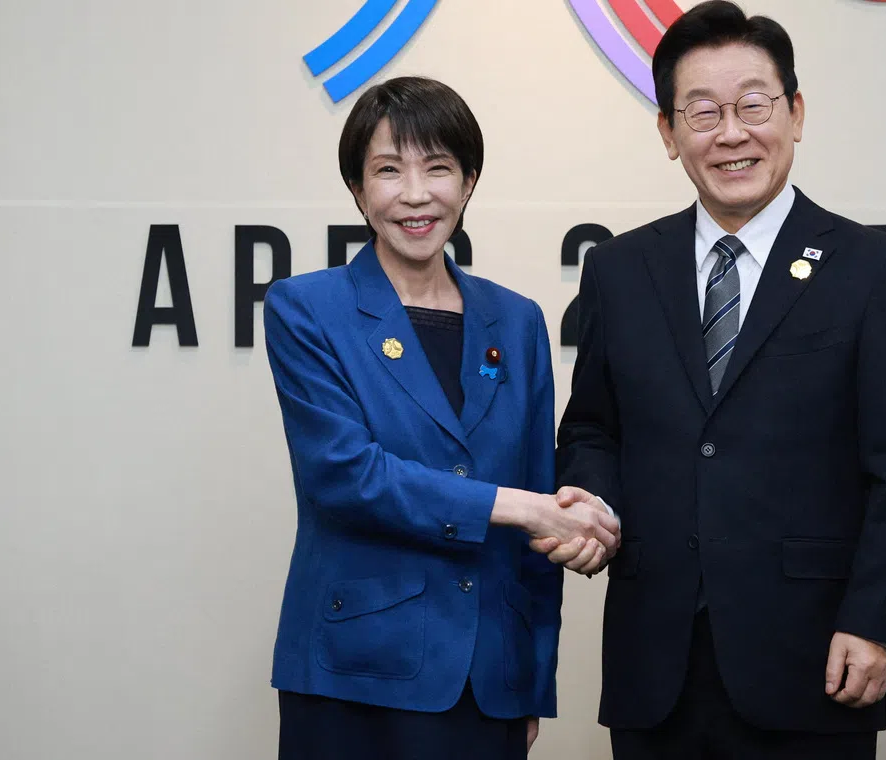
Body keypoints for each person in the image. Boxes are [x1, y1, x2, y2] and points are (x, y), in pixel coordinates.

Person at [548, 3, 886, 758]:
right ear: (668, 133)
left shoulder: (877, 273)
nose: (731, 133)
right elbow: (595, 427)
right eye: (702, 112)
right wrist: (593, 502)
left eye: (754, 105)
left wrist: (875, 618)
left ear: (795, 113)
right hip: (654, 662)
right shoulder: (620, 271)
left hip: (814, 659)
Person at [262, 76, 619, 760]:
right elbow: (345, 476)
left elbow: (541, 493)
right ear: (358, 189)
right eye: (389, 170)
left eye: (439, 168)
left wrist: (532, 677)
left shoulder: (515, 321)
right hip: (355, 672)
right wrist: (523, 508)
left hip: (488, 679)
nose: (417, 194)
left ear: (470, 181)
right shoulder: (307, 308)